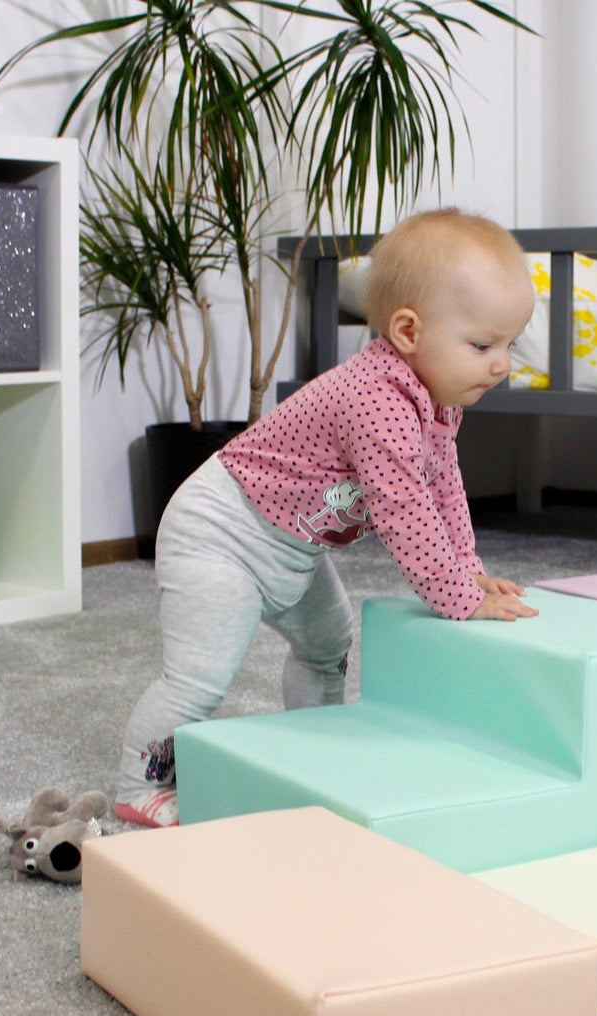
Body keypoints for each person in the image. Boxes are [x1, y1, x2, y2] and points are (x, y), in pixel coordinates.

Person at [114, 208, 539, 828]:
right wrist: (454, 598)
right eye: (482, 345)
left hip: (291, 547)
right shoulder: (376, 402)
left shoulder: (436, 403)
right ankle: (137, 783)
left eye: (509, 344)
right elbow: (404, 511)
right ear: (407, 330)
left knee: (328, 645)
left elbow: (443, 488)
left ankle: (309, 750)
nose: (501, 365)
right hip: (223, 534)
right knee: (200, 676)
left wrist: (468, 571)